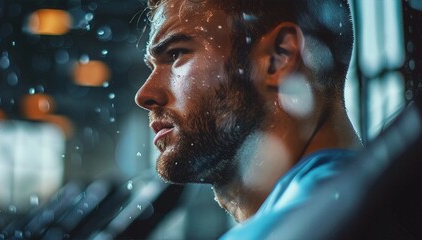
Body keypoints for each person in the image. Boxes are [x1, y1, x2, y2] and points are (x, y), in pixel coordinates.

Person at [134, 0, 363, 238]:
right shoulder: (364, 197)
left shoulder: (306, 223)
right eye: (152, 67)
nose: (144, 95)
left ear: (279, 57)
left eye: (176, 54)